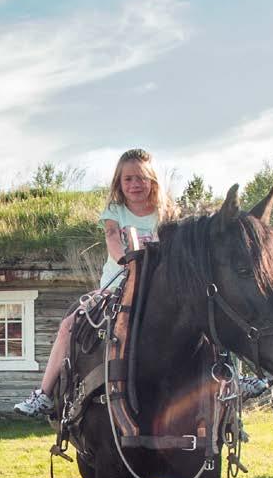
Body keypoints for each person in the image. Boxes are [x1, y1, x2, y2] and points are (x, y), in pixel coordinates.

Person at [16, 148, 174, 416]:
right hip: (116, 286)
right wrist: (129, 261)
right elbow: (113, 238)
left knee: (205, 310)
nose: (135, 184)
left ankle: (229, 382)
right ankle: (43, 393)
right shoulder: (116, 211)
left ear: (153, 181)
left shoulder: (165, 212)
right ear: (119, 183)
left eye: (142, 178)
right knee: (70, 325)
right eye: (128, 179)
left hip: (157, 289)